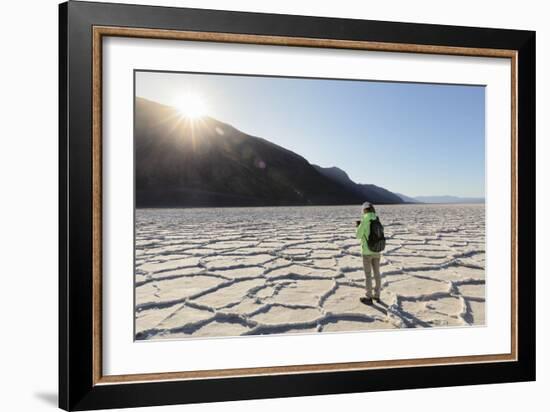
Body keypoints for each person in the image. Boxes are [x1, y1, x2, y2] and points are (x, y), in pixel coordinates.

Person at [355, 201, 382, 305]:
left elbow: (358, 235)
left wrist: (358, 226)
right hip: (377, 250)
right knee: (377, 274)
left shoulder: (365, 220)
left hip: (367, 252)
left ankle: (369, 297)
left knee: (368, 275)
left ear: (365, 210)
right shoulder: (376, 218)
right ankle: (377, 295)